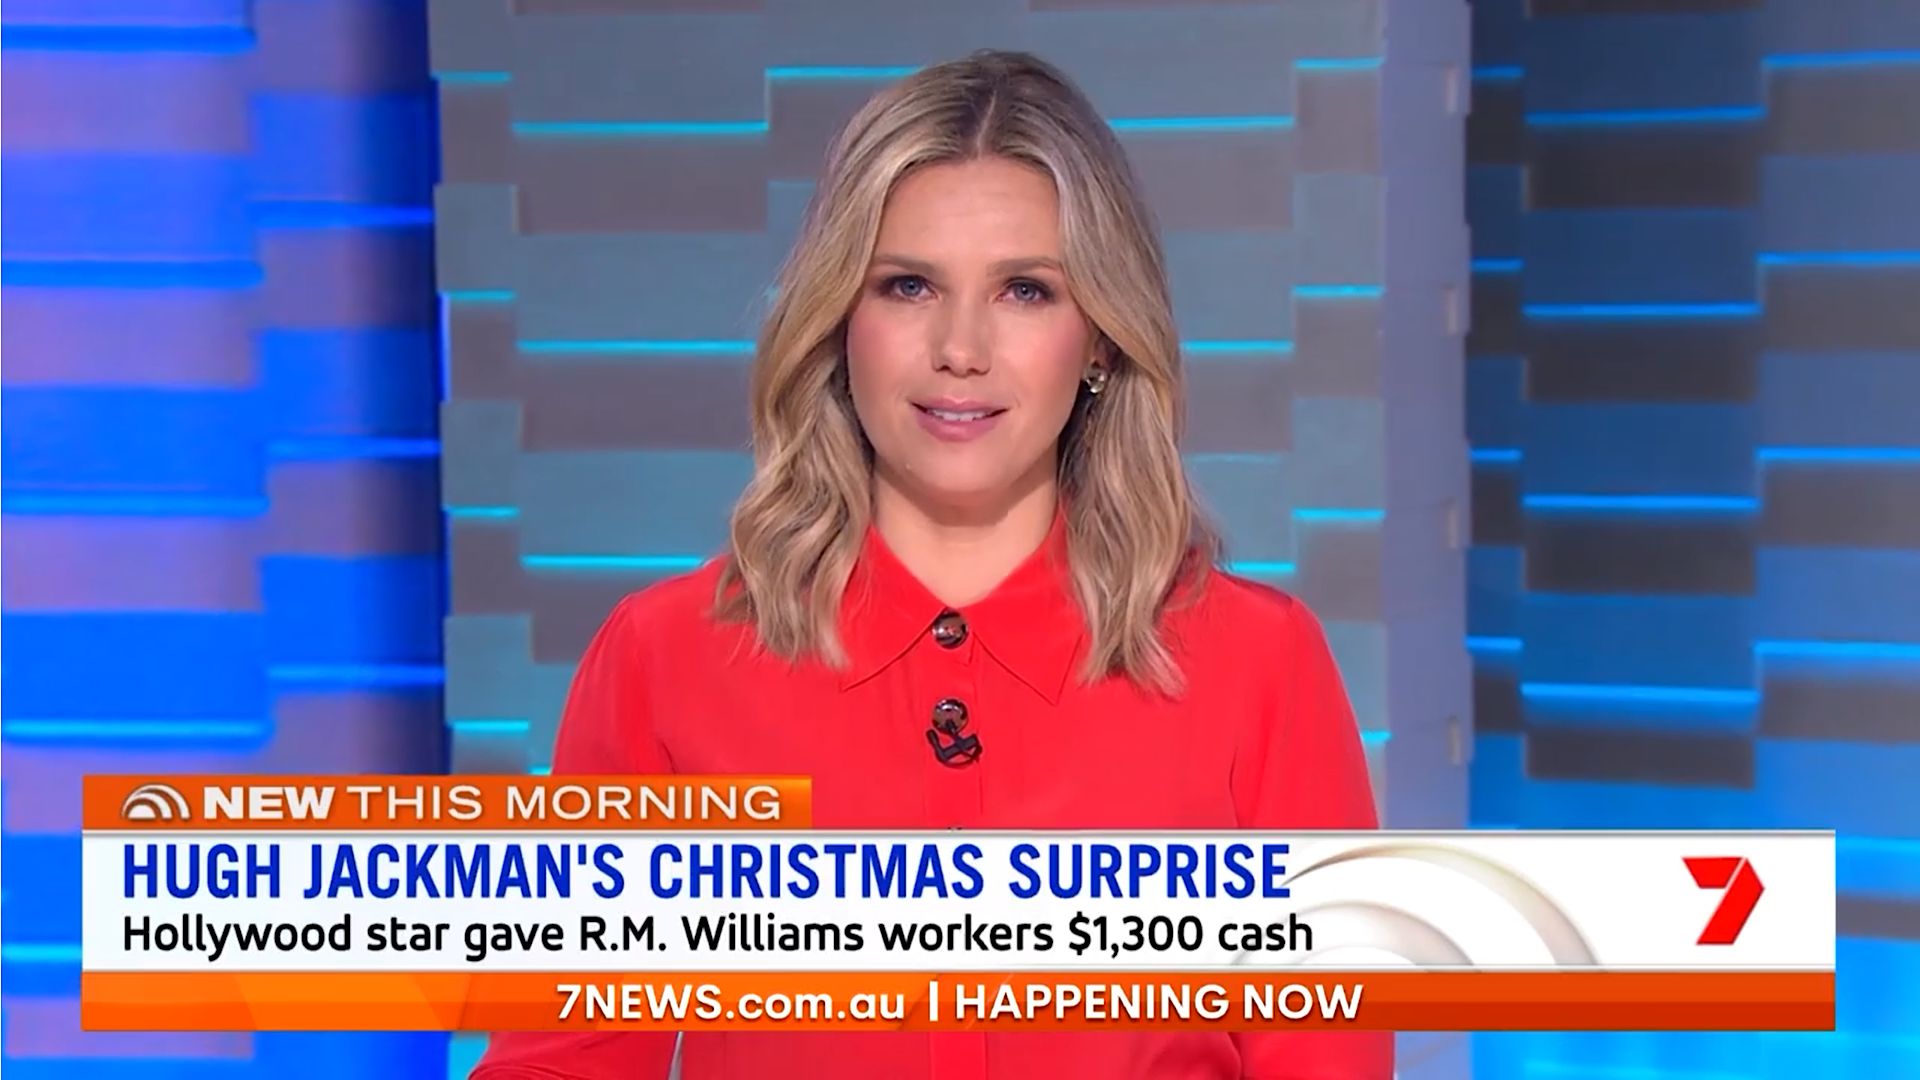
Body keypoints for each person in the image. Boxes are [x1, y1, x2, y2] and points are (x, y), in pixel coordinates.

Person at [473, 49, 1388, 1080]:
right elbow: (566, 1057)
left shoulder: (1256, 664)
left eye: (1026, 291)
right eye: (908, 286)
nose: (961, 347)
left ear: (1099, 339)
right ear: (839, 321)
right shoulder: (666, 657)